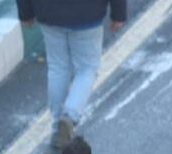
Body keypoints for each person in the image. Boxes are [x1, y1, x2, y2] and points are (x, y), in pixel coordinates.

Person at [19, 0, 125, 146]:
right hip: (88, 14)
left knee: (58, 67)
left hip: (48, 13)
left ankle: (57, 128)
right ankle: (70, 115)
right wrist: (118, 14)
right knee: (87, 68)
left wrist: (25, 13)